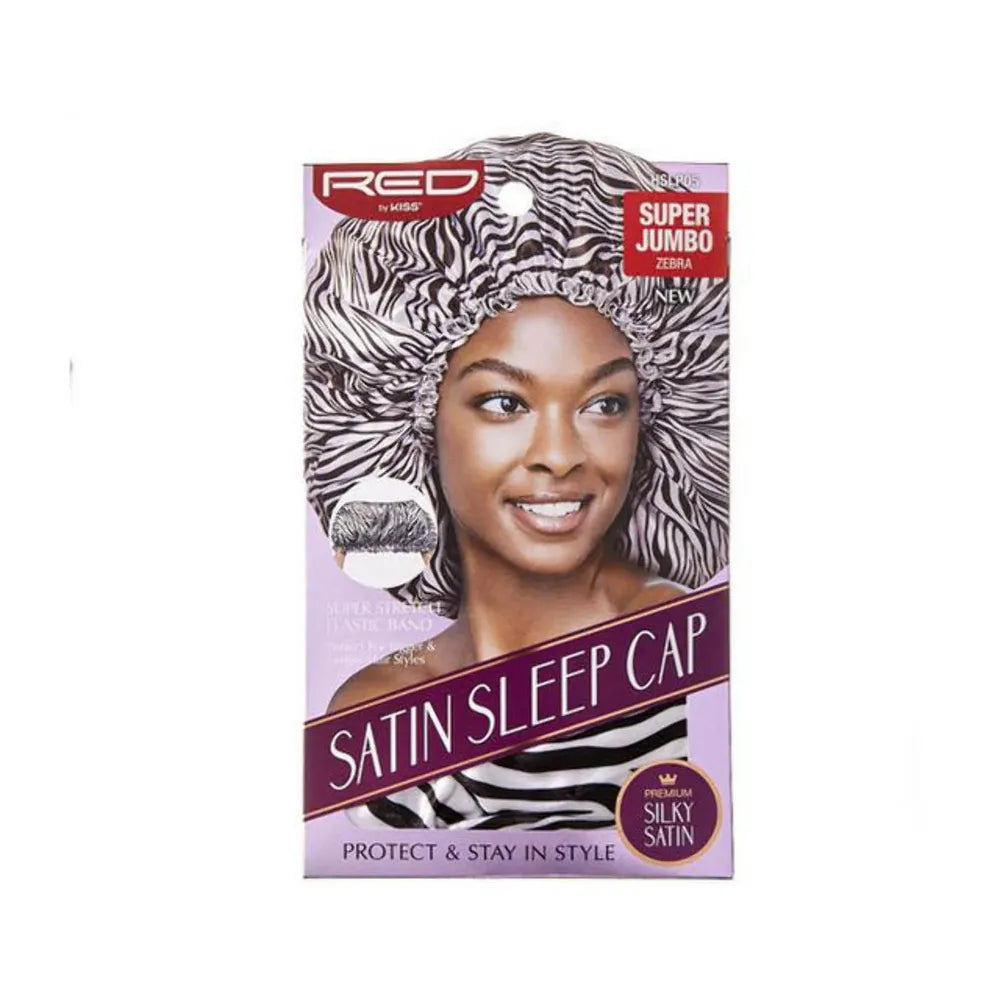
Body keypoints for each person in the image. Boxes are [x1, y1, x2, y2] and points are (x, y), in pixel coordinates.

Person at [304, 134, 728, 829]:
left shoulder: (686, 659)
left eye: (605, 405)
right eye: (505, 402)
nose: (559, 456)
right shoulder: (381, 723)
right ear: (415, 423)